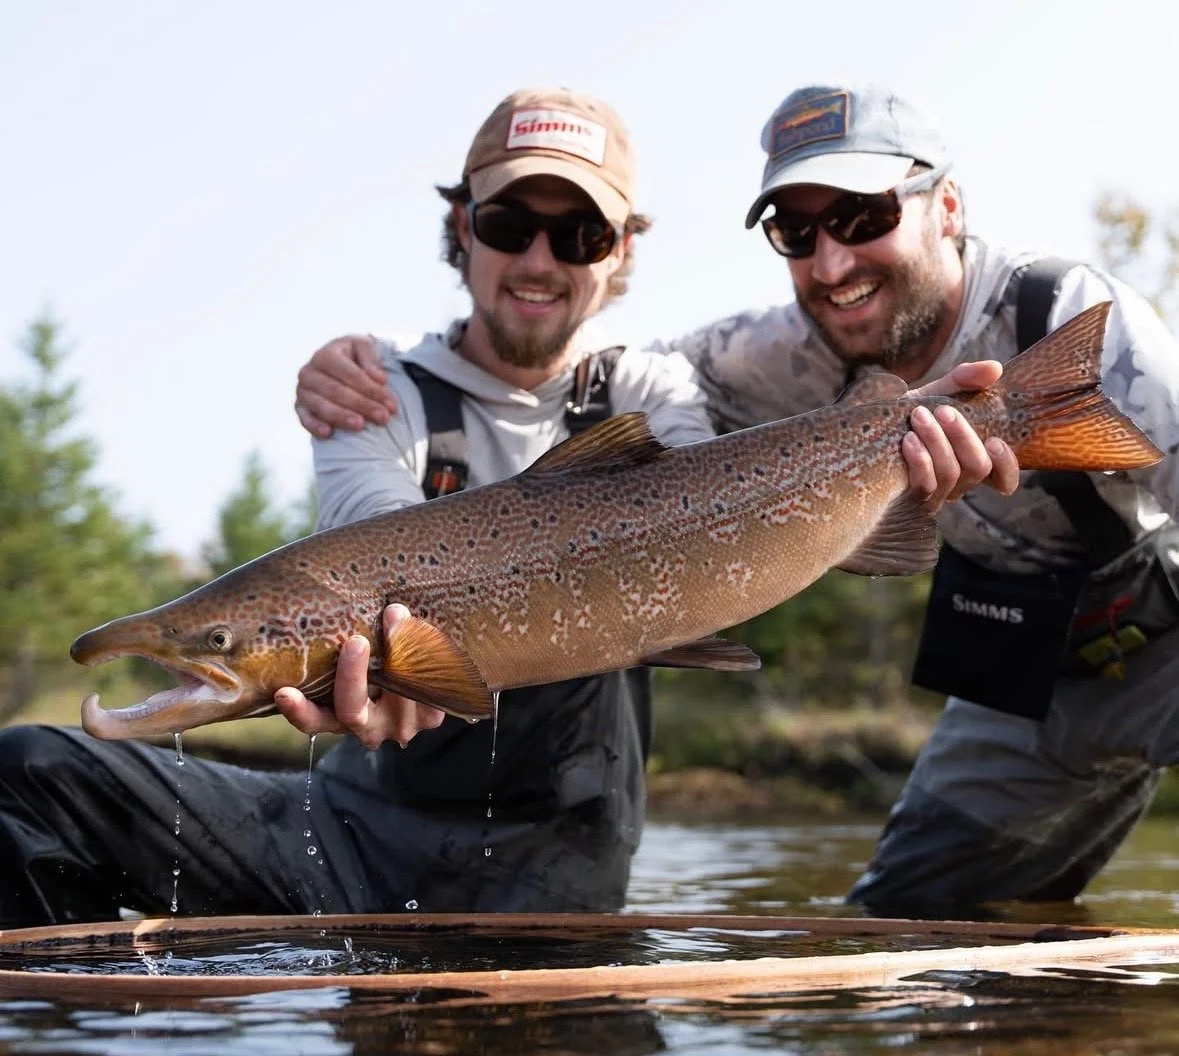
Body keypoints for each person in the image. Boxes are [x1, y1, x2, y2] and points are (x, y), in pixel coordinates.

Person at [0, 87, 1002, 927]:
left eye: (579, 233)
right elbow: (371, 559)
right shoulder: (375, 395)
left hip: (554, 876)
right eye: (510, 224)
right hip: (344, 844)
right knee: (29, 770)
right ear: (460, 230)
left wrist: (905, 456)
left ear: (619, 256)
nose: (539, 259)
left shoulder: (655, 394)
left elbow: (727, 519)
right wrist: (386, 663)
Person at [295, 82, 1179, 918]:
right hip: (1018, 675)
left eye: (861, 217)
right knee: (905, 925)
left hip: (1161, 634)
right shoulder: (753, 358)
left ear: (945, 207)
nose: (830, 263)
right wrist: (370, 362)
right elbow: (555, 369)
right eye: (795, 234)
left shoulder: (1070, 322)